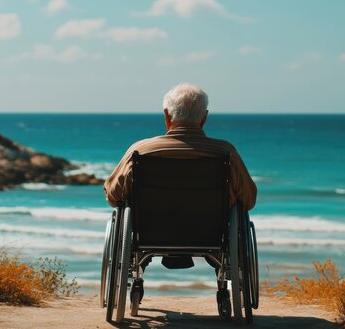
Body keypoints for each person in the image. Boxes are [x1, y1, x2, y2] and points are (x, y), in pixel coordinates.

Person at [103, 82, 257, 300]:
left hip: (149, 231)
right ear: (204, 117)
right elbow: (248, 199)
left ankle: (137, 277)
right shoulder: (224, 153)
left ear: (167, 115)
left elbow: (113, 195)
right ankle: (224, 285)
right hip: (210, 233)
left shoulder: (141, 151)